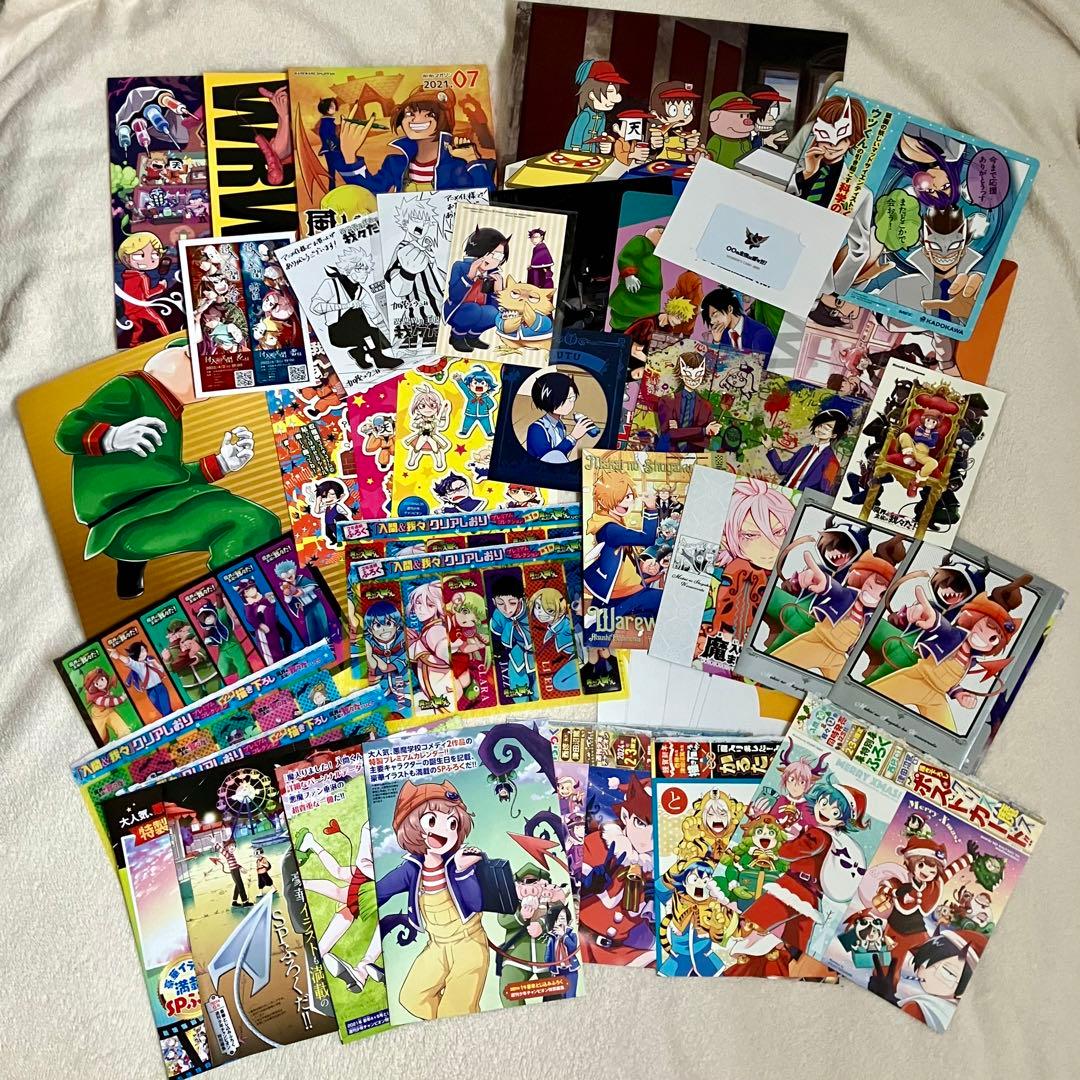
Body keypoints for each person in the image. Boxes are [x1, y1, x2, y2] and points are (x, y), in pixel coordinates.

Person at [54, 342, 279, 599]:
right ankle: (242, 599)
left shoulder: (168, 411)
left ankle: (135, 576)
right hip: (127, 519)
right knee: (253, 521)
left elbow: (169, 479)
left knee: (248, 518)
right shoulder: (131, 388)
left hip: (153, 508)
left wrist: (222, 462)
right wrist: (111, 437)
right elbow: (66, 432)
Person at [374, 781, 490, 1019]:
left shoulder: (460, 862)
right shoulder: (412, 869)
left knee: (456, 1011)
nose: (445, 831)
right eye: (432, 821)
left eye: (452, 823)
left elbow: (476, 903)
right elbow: (380, 891)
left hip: (469, 944)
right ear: (412, 827)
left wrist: (463, 871)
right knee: (411, 998)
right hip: (436, 946)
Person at [330, 89, 494, 194]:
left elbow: (486, 200)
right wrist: (350, 156)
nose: (417, 120)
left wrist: (472, 160)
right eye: (410, 114)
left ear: (443, 120)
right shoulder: (395, 164)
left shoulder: (456, 166)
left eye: (428, 114)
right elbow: (370, 191)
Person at [871, 206, 986, 326]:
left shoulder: (978, 286)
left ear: (963, 249)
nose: (944, 254)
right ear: (925, 250)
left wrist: (975, 313)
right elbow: (875, 306)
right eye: (935, 246)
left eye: (954, 245)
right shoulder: (901, 286)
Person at [583, 474, 661, 647]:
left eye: (630, 496)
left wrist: (643, 566)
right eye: (621, 498)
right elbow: (647, 538)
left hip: (625, 590)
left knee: (597, 636)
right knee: (597, 640)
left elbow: (623, 557)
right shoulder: (610, 529)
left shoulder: (613, 520)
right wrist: (650, 508)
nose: (628, 501)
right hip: (618, 595)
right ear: (604, 501)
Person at [790, 95, 868, 207]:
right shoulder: (794, 169)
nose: (833, 144)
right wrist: (807, 174)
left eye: (843, 138)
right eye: (825, 134)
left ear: (853, 141)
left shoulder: (861, 193)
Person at [442, 227, 509, 352]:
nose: (494, 260)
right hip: (457, 311)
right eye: (492, 254)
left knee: (495, 314)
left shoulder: (494, 275)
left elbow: (497, 307)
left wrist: (498, 291)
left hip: (477, 312)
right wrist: (470, 276)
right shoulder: (460, 266)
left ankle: (472, 337)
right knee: (473, 310)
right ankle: (457, 337)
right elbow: (454, 296)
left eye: (499, 257)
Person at [762, 408, 850, 495]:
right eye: (819, 425)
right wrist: (770, 447)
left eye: (826, 428)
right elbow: (782, 469)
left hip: (800, 498)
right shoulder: (805, 450)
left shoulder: (831, 461)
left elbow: (824, 492)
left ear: (834, 435)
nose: (820, 429)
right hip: (781, 491)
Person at [525, 370, 597, 463]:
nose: (571, 402)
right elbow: (549, 458)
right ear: (549, 400)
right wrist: (573, 437)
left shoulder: (560, 425)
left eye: (573, 398)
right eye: (567, 398)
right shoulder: (536, 429)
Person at [656, 351, 720, 452]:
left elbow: (705, 442)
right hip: (666, 454)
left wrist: (680, 431)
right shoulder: (667, 401)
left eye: (698, 375)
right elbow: (670, 434)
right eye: (688, 375)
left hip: (694, 457)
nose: (693, 379)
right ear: (681, 375)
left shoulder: (706, 406)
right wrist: (703, 431)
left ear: (703, 375)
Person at [564, 60, 628, 151]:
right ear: (591, 94)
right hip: (578, 151)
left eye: (616, 92)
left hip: (593, 151)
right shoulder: (585, 115)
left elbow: (599, 135)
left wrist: (602, 144)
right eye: (609, 92)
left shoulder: (602, 116)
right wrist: (576, 149)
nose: (617, 99)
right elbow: (577, 134)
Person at [490, 575, 536, 699]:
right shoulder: (498, 615)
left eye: (512, 603)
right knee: (517, 690)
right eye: (500, 603)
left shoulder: (532, 610)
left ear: (521, 600)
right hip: (518, 652)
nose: (506, 609)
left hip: (540, 652)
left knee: (538, 691)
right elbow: (496, 633)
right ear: (494, 602)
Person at [700, 286, 775, 357]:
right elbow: (712, 364)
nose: (712, 321)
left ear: (730, 309)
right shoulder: (721, 335)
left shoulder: (760, 334)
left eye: (715, 314)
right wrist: (716, 342)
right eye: (710, 318)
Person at [109, 640, 171, 717]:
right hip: (150, 691)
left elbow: (161, 670)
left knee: (167, 712)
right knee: (163, 712)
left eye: (144, 650)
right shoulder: (138, 665)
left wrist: (160, 661)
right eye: (140, 651)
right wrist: (119, 656)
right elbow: (129, 661)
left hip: (160, 687)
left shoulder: (151, 660)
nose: (143, 653)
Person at [704, 92, 757, 168]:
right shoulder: (717, 140)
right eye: (741, 116)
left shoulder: (745, 142)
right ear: (715, 116)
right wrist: (707, 157)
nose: (748, 121)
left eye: (747, 115)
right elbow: (711, 155)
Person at [215, 839, 252, 909]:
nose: (232, 847)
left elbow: (235, 864)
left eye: (234, 846)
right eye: (230, 846)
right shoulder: (228, 855)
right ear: (226, 848)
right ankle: (245, 902)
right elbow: (221, 850)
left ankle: (234, 902)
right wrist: (215, 842)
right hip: (234, 871)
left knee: (237, 885)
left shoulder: (231, 855)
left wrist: (240, 867)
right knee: (240, 886)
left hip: (236, 870)